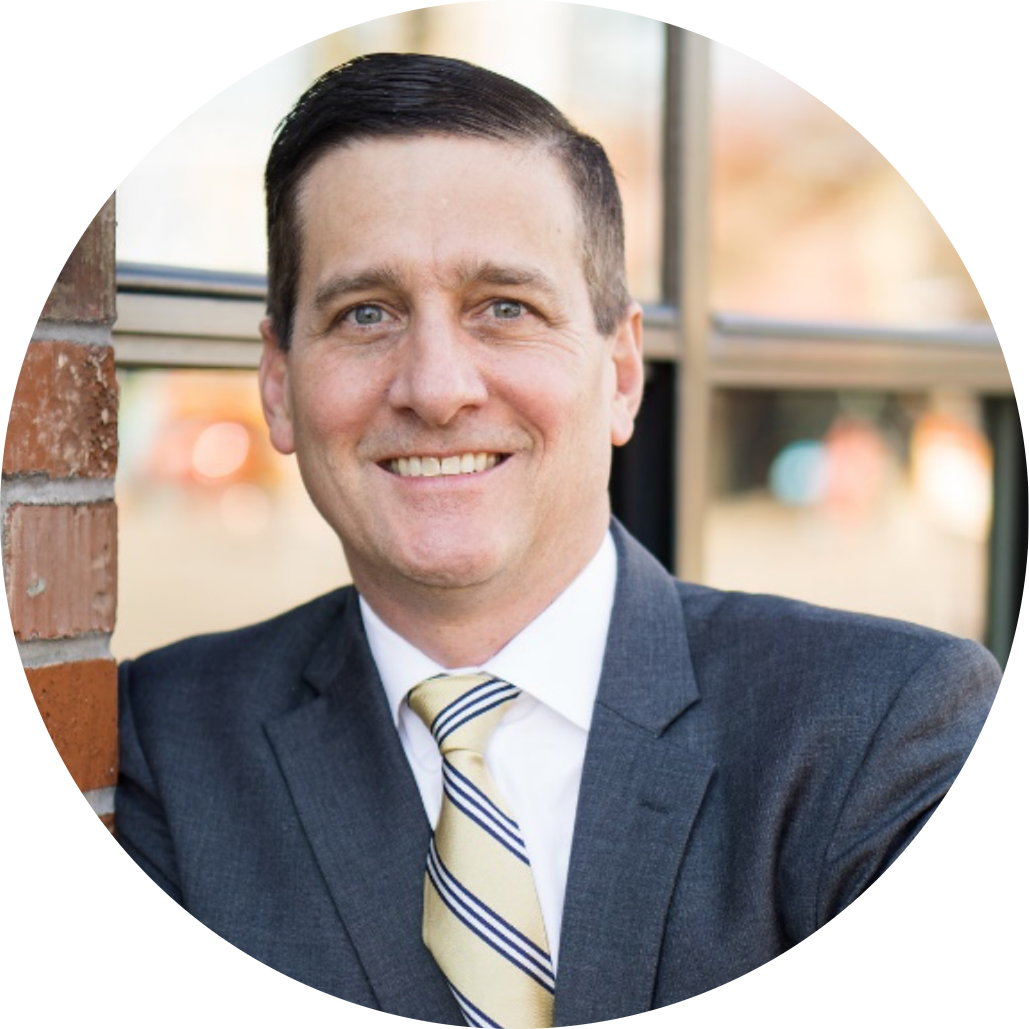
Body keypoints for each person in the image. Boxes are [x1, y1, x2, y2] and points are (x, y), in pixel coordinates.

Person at [116, 53, 1000, 1022]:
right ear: (279, 386)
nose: (438, 387)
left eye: (506, 308)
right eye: (365, 313)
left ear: (620, 374)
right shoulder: (163, 742)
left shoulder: (879, 730)